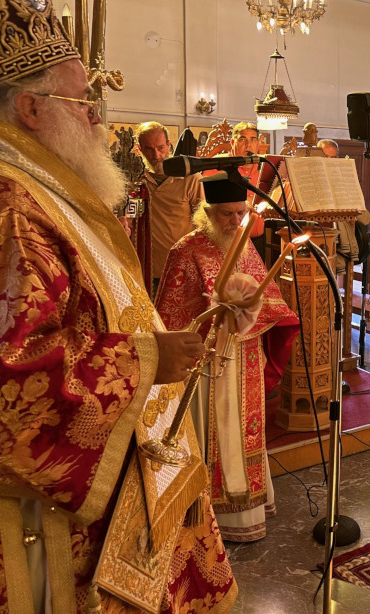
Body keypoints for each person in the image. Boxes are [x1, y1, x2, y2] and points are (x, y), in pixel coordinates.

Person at [0, 0, 235, 611]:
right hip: (29, 522)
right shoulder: (3, 206)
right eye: (83, 101)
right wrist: (149, 358)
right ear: (31, 108)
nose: (95, 117)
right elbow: (2, 382)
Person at [156, 176, 300, 541]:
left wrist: (253, 311)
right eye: (227, 214)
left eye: (241, 213)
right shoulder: (185, 250)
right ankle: (209, 514)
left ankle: (249, 508)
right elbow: (170, 317)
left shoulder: (244, 246)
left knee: (245, 434)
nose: (236, 222)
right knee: (216, 433)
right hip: (206, 363)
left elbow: (265, 296)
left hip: (245, 355)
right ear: (207, 213)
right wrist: (211, 319)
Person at [138, 120, 205, 289]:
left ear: (169, 145)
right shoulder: (136, 179)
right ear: (140, 149)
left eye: (160, 148)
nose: (156, 155)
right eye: (149, 149)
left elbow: (203, 224)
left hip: (180, 268)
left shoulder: (190, 178)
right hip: (144, 267)